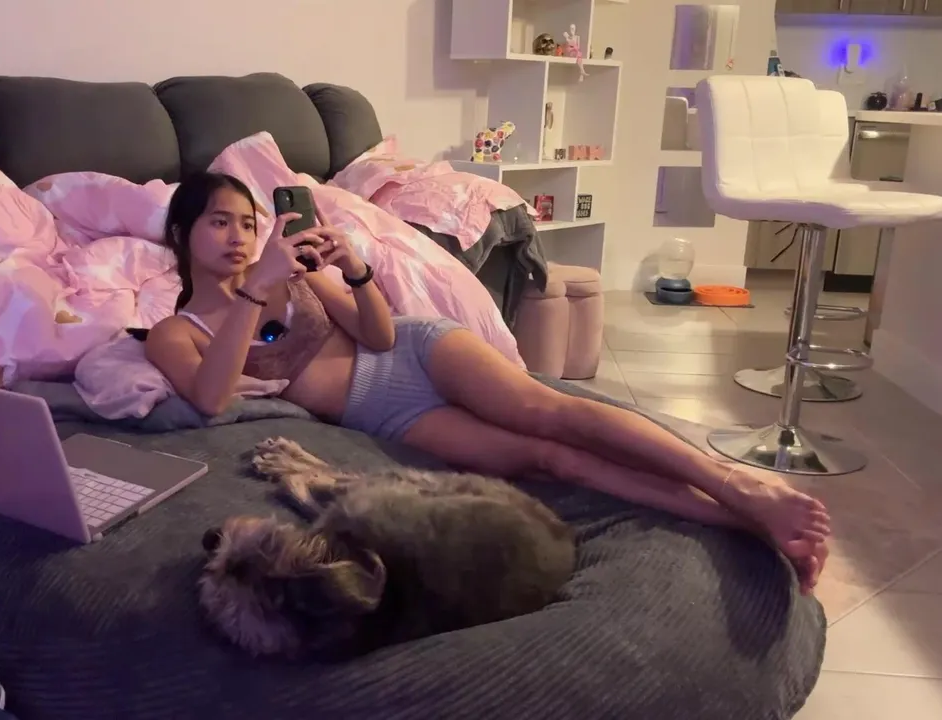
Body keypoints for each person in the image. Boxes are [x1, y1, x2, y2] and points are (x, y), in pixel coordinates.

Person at [145, 172, 831, 593]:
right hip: (382, 413)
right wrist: (253, 290)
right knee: (548, 458)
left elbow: (380, 335)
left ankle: (735, 484)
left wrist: (355, 271)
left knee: (548, 411)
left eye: (248, 222)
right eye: (219, 222)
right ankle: (746, 522)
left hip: (418, 351)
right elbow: (209, 397)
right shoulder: (176, 331)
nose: (238, 236)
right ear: (181, 231)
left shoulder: (297, 277)